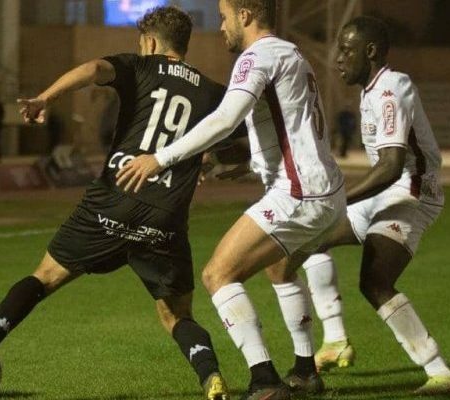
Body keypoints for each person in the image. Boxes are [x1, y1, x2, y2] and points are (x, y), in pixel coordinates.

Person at [0, 7, 235, 400]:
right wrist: (213, 159)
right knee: (177, 316)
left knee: (44, 277)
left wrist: (45, 97)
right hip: (164, 216)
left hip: (112, 201)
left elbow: (92, 68)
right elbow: (239, 139)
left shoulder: (139, 67)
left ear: (151, 43)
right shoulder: (212, 92)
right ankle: (211, 379)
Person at [117, 1, 345, 398]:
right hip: (326, 192)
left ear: (245, 15)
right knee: (280, 271)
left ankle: (264, 380)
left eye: (224, 17)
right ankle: (306, 371)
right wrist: (233, 166)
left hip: (299, 194)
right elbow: (289, 131)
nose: (220, 27)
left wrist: (161, 158)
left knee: (217, 275)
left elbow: (226, 118)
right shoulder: (292, 54)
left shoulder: (255, 56)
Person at [270, 16, 450, 396]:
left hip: (412, 194)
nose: (338, 57)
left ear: (370, 51)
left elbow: (391, 166)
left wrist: (337, 198)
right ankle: (330, 345)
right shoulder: (370, 91)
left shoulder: (392, 87)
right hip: (385, 193)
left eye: (346, 49)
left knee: (375, 281)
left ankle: (440, 373)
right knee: (302, 244)